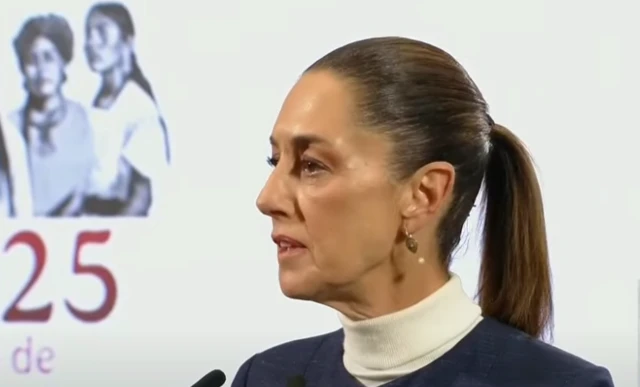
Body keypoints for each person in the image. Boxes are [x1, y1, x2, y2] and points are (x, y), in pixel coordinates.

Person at [232, 37, 614, 387]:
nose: (267, 199)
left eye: (312, 165)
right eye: (275, 160)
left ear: (424, 193)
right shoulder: (265, 377)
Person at [82, 2, 170, 217]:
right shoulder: (94, 102)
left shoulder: (138, 107)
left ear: (128, 42)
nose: (92, 43)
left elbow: (141, 197)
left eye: (102, 32)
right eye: (88, 34)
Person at [9, 14, 95, 217]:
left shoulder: (87, 122)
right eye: (32, 61)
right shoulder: (9, 129)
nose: (41, 70)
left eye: (49, 58)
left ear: (63, 63)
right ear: (22, 69)